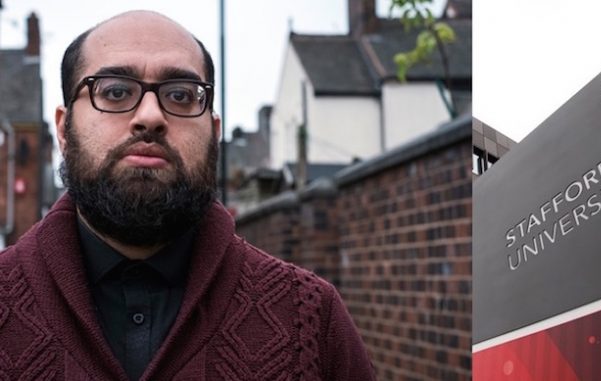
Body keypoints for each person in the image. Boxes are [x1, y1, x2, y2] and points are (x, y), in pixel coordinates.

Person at [0, 10, 375, 381]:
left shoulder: (310, 320)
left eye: (180, 95)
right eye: (115, 91)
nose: (150, 115)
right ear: (64, 131)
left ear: (213, 132)